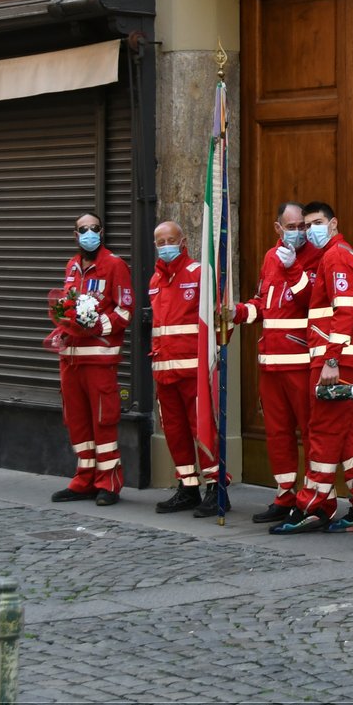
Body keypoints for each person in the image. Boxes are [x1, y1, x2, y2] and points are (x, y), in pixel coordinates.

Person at [271, 202, 353, 534]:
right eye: (306, 224)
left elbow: (344, 312)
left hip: (337, 362)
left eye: (317, 222)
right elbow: (314, 303)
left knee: (323, 432)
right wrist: (293, 272)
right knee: (351, 436)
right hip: (342, 359)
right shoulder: (332, 256)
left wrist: (332, 358)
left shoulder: (336, 256)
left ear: (333, 223)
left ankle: (310, 506)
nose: (310, 229)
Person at [229, 202, 320, 523]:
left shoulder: (315, 256)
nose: (298, 233)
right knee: (277, 432)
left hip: (301, 360)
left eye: (302, 227)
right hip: (270, 362)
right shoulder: (270, 257)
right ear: (278, 228)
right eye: (291, 227)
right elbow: (263, 304)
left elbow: (311, 301)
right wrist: (238, 313)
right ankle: (285, 494)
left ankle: (313, 496)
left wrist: (294, 267)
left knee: (310, 431)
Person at [51, 212, 134, 506]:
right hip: (71, 360)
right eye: (83, 229)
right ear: (75, 235)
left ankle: (108, 482)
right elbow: (67, 305)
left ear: (102, 232)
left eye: (94, 228)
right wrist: (62, 325)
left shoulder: (114, 265)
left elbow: (125, 311)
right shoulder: (72, 266)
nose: (89, 233)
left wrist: (99, 326)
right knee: (76, 422)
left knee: (103, 422)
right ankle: (83, 479)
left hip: (99, 360)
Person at [147, 220, 219, 515]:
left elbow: (211, 320)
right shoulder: (154, 281)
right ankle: (188, 487)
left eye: (170, 240)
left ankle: (216, 488)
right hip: (164, 372)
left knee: (203, 430)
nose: (166, 247)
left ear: (184, 240)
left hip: (193, 371)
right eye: (160, 242)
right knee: (175, 433)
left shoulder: (199, 274)